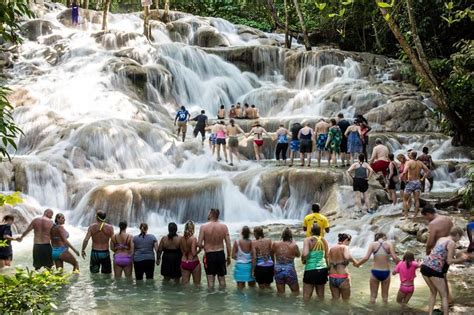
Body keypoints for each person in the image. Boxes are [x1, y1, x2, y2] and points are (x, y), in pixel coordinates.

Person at [421, 227, 470, 315]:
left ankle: (430, 313)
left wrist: (467, 250)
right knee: (444, 296)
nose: (459, 240)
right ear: (457, 235)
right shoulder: (451, 243)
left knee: (433, 293)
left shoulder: (442, 239)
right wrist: (461, 259)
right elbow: (449, 261)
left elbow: (451, 253)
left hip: (424, 267)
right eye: (460, 237)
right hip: (434, 270)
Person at [355, 233, 400, 304]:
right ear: (383, 237)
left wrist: (358, 264)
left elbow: (366, 258)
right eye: (386, 237)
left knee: (373, 296)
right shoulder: (389, 244)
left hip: (375, 272)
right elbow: (394, 258)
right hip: (386, 272)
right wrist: (401, 265)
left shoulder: (372, 244)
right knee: (385, 297)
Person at [198, 209, 232, 289]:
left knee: (210, 282)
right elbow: (228, 244)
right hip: (220, 254)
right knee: (222, 280)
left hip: (209, 255)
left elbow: (199, 244)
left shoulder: (204, 227)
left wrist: (204, 246)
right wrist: (228, 257)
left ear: (210, 214)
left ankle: (211, 300)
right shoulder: (224, 227)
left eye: (208, 213)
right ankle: (222, 299)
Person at [401, 151, 430, 219]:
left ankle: (406, 216)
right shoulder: (420, 162)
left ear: (411, 155)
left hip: (410, 182)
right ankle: (415, 215)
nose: (408, 155)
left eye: (409, 154)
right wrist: (422, 178)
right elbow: (427, 171)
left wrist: (405, 180)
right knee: (416, 200)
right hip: (418, 182)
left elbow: (404, 172)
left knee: (405, 199)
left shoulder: (409, 162)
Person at [328, 233, 358, 300]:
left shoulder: (332, 248)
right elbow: (347, 257)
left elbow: (329, 263)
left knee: (335, 300)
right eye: (349, 242)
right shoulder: (345, 247)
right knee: (346, 301)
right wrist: (355, 262)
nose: (349, 244)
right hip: (342, 277)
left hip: (332, 277)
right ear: (347, 240)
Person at [302, 224, 328, 300]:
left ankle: (306, 311)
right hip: (323, 269)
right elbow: (327, 256)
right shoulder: (324, 240)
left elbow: (305, 254)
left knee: (306, 296)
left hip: (311, 269)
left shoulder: (308, 240)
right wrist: (328, 268)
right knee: (320, 296)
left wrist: (303, 259)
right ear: (320, 231)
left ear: (311, 231)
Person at [273, 227, 300, 295]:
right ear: (291, 236)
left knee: (280, 293)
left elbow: (271, 253)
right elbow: (298, 255)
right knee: (296, 293)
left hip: (278, 269)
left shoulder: (275, 244)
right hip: (289, 270)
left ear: (282, 235)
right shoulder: (294, 245)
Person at [180, 220, 201, 285]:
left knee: (185, 286)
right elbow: (194, 253)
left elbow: (182, 251)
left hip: (184, 262)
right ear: (193, 228)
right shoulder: (193, 238)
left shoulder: (181, 239)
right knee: (197, 285)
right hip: (193, 262)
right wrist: (200, 250)